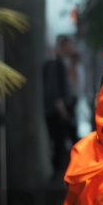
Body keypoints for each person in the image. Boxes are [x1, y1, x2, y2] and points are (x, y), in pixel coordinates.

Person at [44, 35, 77, 177]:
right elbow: (54, 88)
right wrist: (61, 107)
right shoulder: (55, 63)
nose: (71, 48)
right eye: (68, 45)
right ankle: (59, 172)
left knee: (66, 140)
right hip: (58, 110)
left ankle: (66, 170)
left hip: (67, 106)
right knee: (59, 141)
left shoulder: (67, 63)